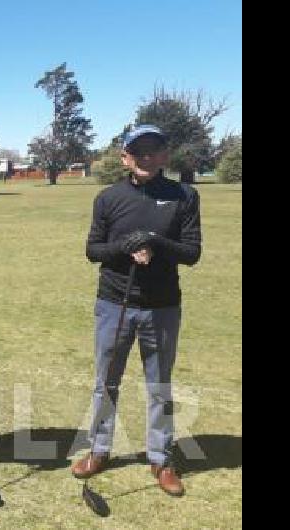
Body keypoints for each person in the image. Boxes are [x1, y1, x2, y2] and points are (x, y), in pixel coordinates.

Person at [71, 124, 202, 497]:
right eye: (137, 150)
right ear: (125, 156)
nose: (145, 157)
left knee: (159, 387)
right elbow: (93, 250)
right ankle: (98, 450)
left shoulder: (184, 196)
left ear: (164, 155)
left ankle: (161, 459)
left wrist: (155, 242)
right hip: (114, 304)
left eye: (153, 150)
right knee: (105, 383)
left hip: (161, 307)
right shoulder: (108, 198)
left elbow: (192, 253)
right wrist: (124, 246)